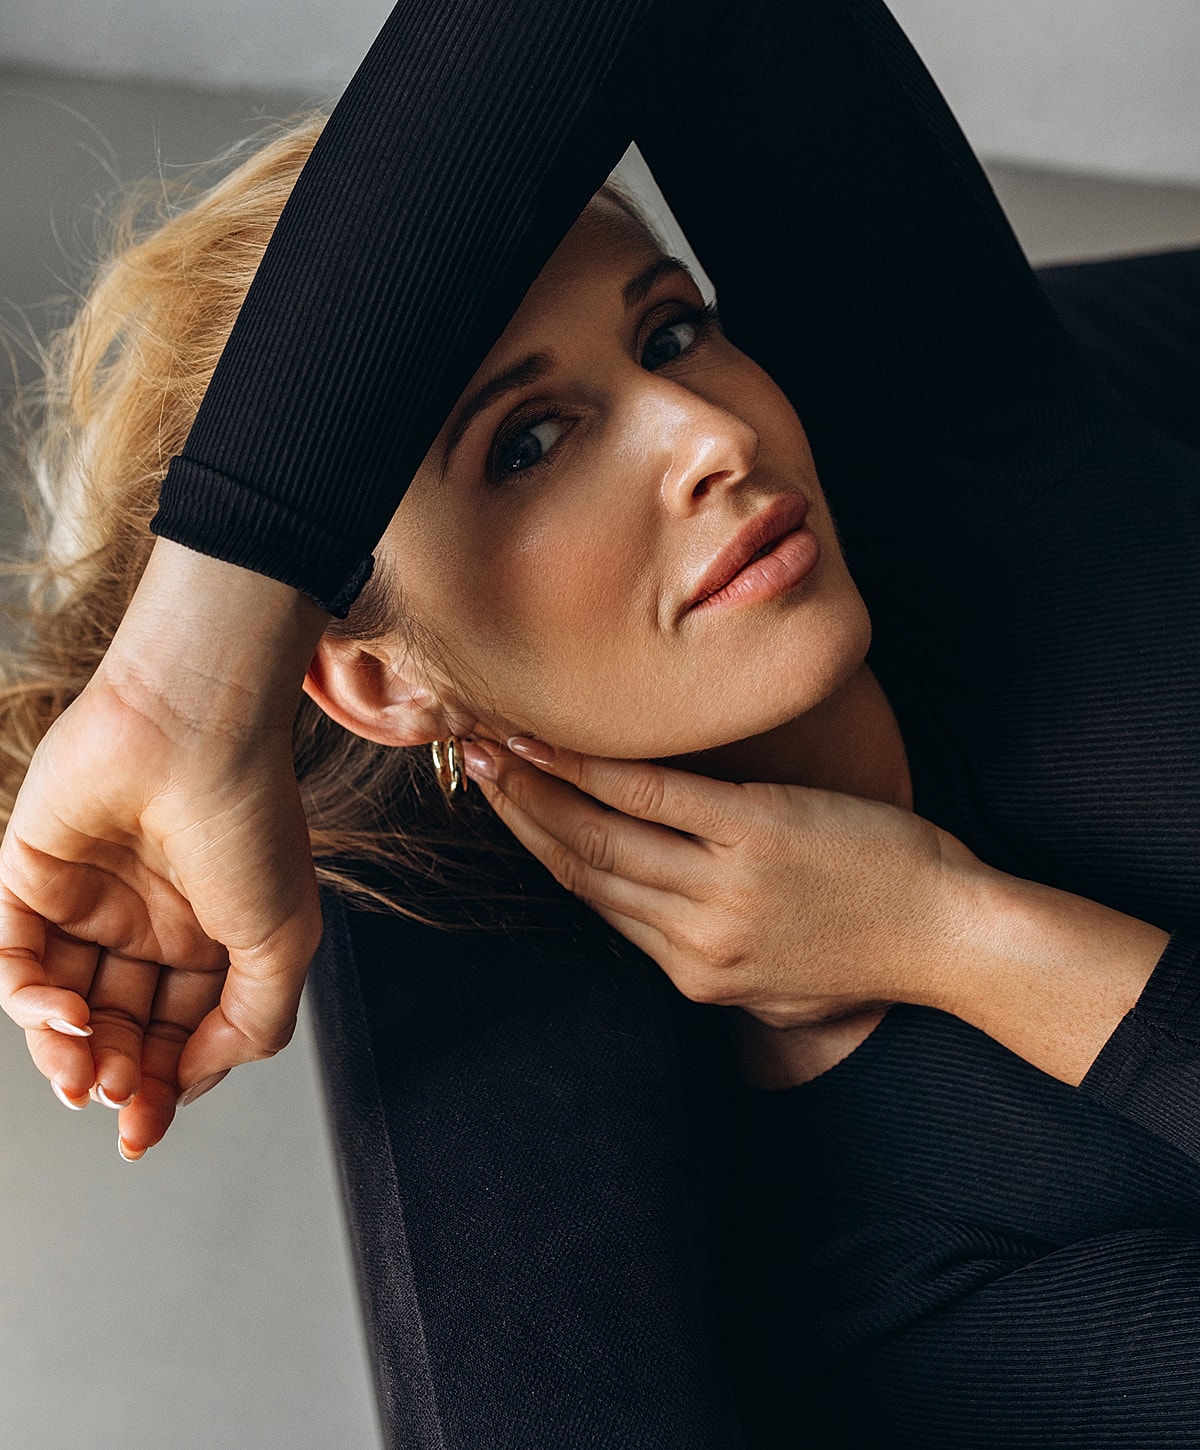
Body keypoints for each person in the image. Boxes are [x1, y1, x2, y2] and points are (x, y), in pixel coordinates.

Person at [2, 0, 1200, 1442]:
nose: (714, 436)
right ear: (384, 680)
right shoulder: (896, 1277)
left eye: (675, 331)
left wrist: (185, 669)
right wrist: (964, 937)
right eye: (527, 445)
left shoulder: (970, 459)